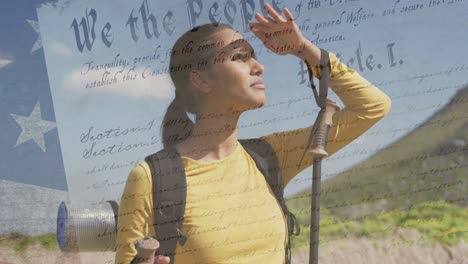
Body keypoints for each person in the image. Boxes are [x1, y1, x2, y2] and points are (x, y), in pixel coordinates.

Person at [115, 3, 391, 264]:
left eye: (254, 57)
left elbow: (372, 107)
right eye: (239, 57)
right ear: (201, 79)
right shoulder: (152, 178)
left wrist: (304, 50)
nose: (259, 67)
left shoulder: (270, 156)